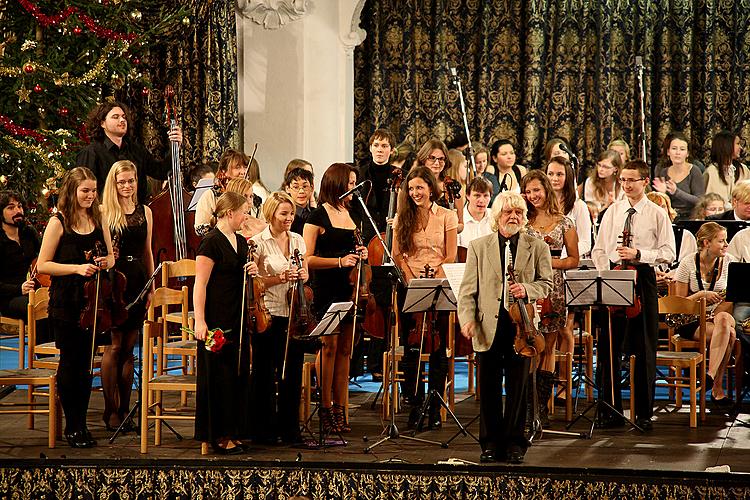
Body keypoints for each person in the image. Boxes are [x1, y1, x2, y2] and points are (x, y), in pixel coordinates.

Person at [458, 191, 553, 464]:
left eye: (518, 212)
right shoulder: (478, 246)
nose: (513, 217)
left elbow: (546, 284)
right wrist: (467, 319)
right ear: (496, 216)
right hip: (488, 326)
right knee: (488, 388)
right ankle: (489, 444)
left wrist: (527, 288)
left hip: (521, 326)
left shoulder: (537, 247)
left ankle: (514, 444)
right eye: (507, 212)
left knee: (518, 388)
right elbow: (467, 292)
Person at [591, 160, 676, 430]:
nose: (626, 185)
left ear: (644, 181)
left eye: (632, 180)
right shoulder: (613, 212)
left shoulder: (656, 213)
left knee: (644, 347)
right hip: (615, 278)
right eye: (623, 180)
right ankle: (610, 409)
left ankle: (643, 413)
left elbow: (668, 253)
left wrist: (639, 255)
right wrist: (610, 270)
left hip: (643, 280)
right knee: (609, 347)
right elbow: (599, 250)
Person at [37, 167, 115, 448]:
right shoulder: (59, 222)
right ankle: (73, 426)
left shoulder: (99, 216)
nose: (91, 196)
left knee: (86, 366)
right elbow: (43, 264)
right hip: (67, 302)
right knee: (71, 362)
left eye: (94, 191)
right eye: (85, 191)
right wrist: (76, 268)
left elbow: (110, 256)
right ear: (72, 191)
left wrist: (107, 262)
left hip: (93, 302)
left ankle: (81, 423)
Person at [392, 166, 458, 429]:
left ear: (431, 188)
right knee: (412, 348)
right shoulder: (402, 217)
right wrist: (411, 280)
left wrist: (435, 280)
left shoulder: (447, 216)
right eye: (411, 189)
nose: (415, 193)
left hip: (439, 285)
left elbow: (451, 254)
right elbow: (398, 255)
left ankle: (435, 405)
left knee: (439, 347)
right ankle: (415, 402)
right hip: (411, 286)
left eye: (420, 187)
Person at [303, 163, 367, 434]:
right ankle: (326, 407)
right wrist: (340, 261)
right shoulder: (317, 217)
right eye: (350, 182)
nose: (353, 188)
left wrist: (362, 254)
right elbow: (307, 259)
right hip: (326, 289)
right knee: (328, 348)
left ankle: (342, 407)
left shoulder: (353, 216)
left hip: (349, 289)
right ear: (337, 183)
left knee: (345, 350)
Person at [193, 191, 258, 454]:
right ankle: (218, 434)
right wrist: (200, 319)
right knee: (219, 377)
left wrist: (252, 270)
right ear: (229, 212)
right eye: (244, 211)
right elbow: (201, 284)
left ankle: (233, 429)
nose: (247, 217)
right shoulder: (211, 243)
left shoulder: (240, 241)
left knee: (236, 374)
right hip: (216, 316)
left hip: (237, 314)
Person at [99, 160, 154, 432]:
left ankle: (124, 410)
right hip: (114, 280)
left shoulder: (145, 211)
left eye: (130, 181)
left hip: (138, 279)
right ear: (114, 183)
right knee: (115, 346)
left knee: (130, 348)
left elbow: (148, 251)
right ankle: (110, 410)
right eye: (121, 182)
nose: (127, 186)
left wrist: (152, 284)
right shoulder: (105, 211)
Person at [250, 191, 309, 444]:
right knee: (265, 372)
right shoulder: (258, 242)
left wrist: (301, 276)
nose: (289, 218)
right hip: (269, 312)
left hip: (293, 312)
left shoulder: (297, 240)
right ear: (271, 213)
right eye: (284, 213)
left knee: (292, 372)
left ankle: (290, 428)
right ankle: (264, 429)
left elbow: (305, 270)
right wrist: (281, 278)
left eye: (292, 213)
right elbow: (255, 282)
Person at [521, 170, 579, 425]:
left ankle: (540, 405)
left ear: (546, 189)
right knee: (529, 345)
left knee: (549, 346)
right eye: (528, 191)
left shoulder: (565, 222)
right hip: (528, 288)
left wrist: (549, 262)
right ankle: (525, 401)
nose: (533, 195)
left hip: (554, 289)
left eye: (537, 190)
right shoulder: (522, 221)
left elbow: (574, 259)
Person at [673, 222, 736, 406]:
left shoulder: (730, 262)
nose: (726, 245)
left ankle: (709, 375)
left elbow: (731, 297)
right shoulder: (687, 263)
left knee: (724, 321)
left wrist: (714, 314)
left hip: (718, 315)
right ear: (707, 243)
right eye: (721, 241)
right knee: (730, 335)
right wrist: (701, 295)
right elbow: (679, 303)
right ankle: (717, 388)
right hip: (691, 319)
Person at [76, 101, 182, 204]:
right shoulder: (91, 152)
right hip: (106, 216)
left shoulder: (136, 150)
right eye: (115, 117)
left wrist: (175, 146)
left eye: (124, 117)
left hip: (136, 213)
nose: (122, 120)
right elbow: (85, 190)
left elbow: (161, 172)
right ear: (102, 123)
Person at [0, 191, 42, 329]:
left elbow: (42, 259)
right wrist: (19, 289)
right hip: (7, 297)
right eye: (11, 208)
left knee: (54, 303)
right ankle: (39, 350)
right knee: (37, 307)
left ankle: (55, 348)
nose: (18, 211)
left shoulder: (29, 233)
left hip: (34, 291)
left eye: (19, 206)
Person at [195, 149, 252, 235]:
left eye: (245, 167)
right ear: (224, 171)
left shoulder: (253, 197)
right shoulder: (211, 195)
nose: (243, 172)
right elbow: (200, 229)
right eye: (237, 167)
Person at [546, 156, 592, 257]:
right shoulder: (541, 204)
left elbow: (586, 243)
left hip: (569, 261)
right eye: (550, 174)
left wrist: (566, 254)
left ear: (568, 176)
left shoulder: (579, 206)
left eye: (560, 174)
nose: (554, 179)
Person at [653, 132, 705, 220]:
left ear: (687, 153)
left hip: (691, 219)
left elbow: (700, 201)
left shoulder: (694, 171)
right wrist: (662, 194)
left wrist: (676, 192)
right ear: (668, 152)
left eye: (682, 149)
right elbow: (659, 204)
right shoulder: (663, 172)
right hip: (669, 218)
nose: (678, 153)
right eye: (674, 148)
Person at [417, 139, 465, 233]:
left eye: (441, 159)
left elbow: (461, 224)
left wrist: (451, 226)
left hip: (445, 242)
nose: (437, 163)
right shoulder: (411, 184)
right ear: (423, 160)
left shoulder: (453, 186)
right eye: (432, 158)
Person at [358, 128, 397, 241]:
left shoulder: (401, 176)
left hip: (393, 233)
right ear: (370, 148)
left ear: (392, 150)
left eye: (384, 146)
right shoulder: (360, 174)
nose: (379, 149)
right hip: (366, 234)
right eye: (376, 145)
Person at [704, 130, 750, 209]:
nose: (740, 147)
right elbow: (707, 201)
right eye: (738, 144)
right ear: (726, 145)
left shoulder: (743, 170)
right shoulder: (711, 172)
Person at [457, 176, 494, 255]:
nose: (481, 200)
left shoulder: (495, 217)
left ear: (490, 197)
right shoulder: (457, 219)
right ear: (467, 196)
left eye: (485, 196)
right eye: (477, 195)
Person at [283, 167, 316, 235]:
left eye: (305, 186)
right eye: (296, 187)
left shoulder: (316, 213)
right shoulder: (284, 215)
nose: (301, 191)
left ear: (312, 188)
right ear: (287, 188)